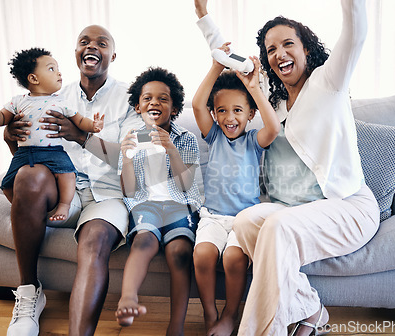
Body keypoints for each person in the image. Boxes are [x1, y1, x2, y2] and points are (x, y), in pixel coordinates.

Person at [194, 0, 380, 335]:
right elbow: (228, 58)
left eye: (287, 44)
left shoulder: (328, 82)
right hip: (291, 211)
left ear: (306, 49)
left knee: (276, 227)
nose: (279, 53)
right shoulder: (273, 103)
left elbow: (356, 33)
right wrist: (203, 14)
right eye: (271, 49)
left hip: (347, 206)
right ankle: (310, 309)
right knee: (246, 220)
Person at [3, 25, 143, 336]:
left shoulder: (130, 98)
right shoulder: (50, 97)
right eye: (84, 42)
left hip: (108, 194)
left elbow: (127, 158)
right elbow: (24, 147)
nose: (91, 46)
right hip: (62, 189)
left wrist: (81, 136)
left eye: (101, 43)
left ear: (112, 55)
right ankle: (29, 293)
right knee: (28, 174)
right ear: (76, 53)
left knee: (94, 243)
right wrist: (9, 134)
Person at [191, 43, 279, 336]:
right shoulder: (213, 136)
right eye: (222, 111)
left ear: (250, 113)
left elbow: (274, 128)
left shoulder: (254, 140)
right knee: (202, 255)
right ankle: (209, 312)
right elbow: (196, 104)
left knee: (233, 259)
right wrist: (217, 65)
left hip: (245, 220)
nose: (230, 117)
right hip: (214, 216)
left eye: (238, 111)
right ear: (214, 114)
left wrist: (254, 89)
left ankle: (231, 312)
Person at [116, 67, 202, 336]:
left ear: (174, 108)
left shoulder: (186, 139)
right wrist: (127, 158)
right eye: (148, 98)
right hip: (145, 206)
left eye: (163, 98)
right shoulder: (130, 139)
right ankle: (128, 298)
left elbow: (185, 185)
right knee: (143, 241)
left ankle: (175, 326)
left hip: (179, 205)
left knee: (179, 252)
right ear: (137, 106)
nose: (155, 102)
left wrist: (171, 149)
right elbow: (129, 191)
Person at [0, 47, 104, 222]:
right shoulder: (18, 101)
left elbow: (79, 121)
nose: (59, 73)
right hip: (25, 152)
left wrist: (94, 125)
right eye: (51, 69)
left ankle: (64, 205)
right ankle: (21, 206)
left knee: (68, 174)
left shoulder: (61, 101)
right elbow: (3, 119)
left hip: (53, 151)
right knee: (6, 185)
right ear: (33, 78)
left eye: (57, 68)